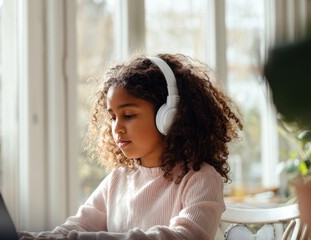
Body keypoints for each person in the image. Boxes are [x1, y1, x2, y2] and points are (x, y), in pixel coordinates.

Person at [18, 53, 243, 240]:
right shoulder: (118, 179)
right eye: (113, 117)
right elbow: (78, 227)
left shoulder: (200, 178)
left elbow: (186, 236)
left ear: (170, 117)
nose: (117, 127)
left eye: (128, 115)